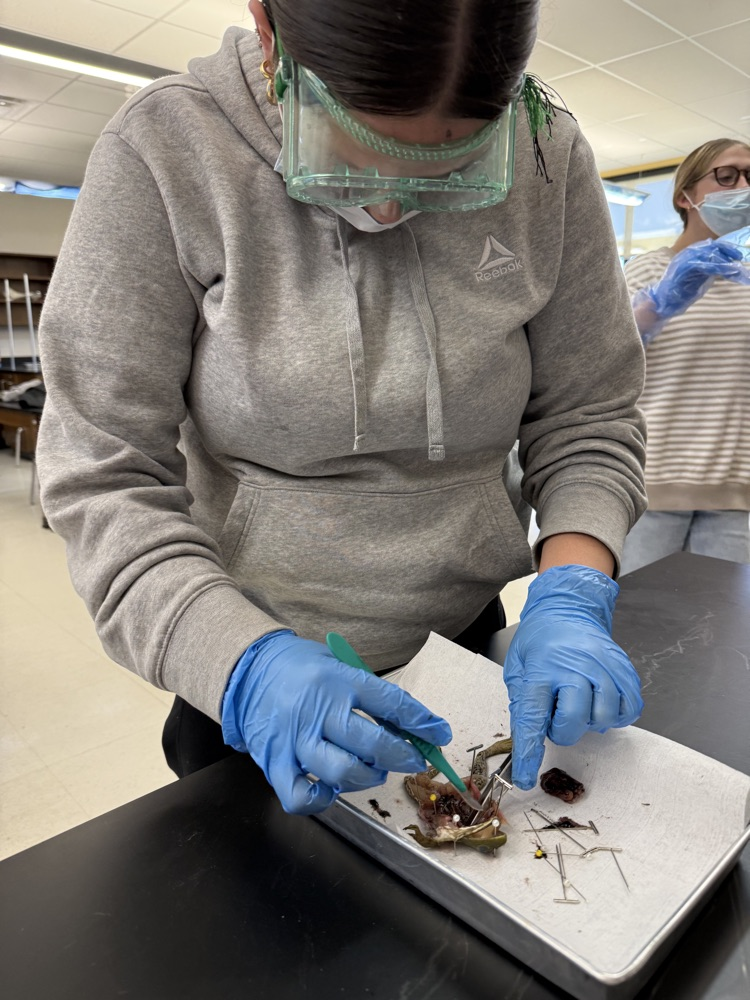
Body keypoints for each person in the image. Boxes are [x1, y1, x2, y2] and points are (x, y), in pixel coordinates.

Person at [36, 0, 647, 816]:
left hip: (466, 642)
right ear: (268, 29)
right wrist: (241, 666)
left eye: (450, 173)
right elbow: (100, 473)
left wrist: (572, 585)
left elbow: (587, 412)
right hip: (244, 657)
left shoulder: (546, 152)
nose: (391, 211)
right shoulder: (166, 150)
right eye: (353, 159)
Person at [621, 138, 750, 575]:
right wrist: (654, 308)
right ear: (685, 196)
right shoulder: (645, 271)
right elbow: (597, 368)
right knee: (637, 629)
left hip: (738, 496)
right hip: (651, 488)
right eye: (727, 176)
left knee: (719, 637)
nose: (743, 186)